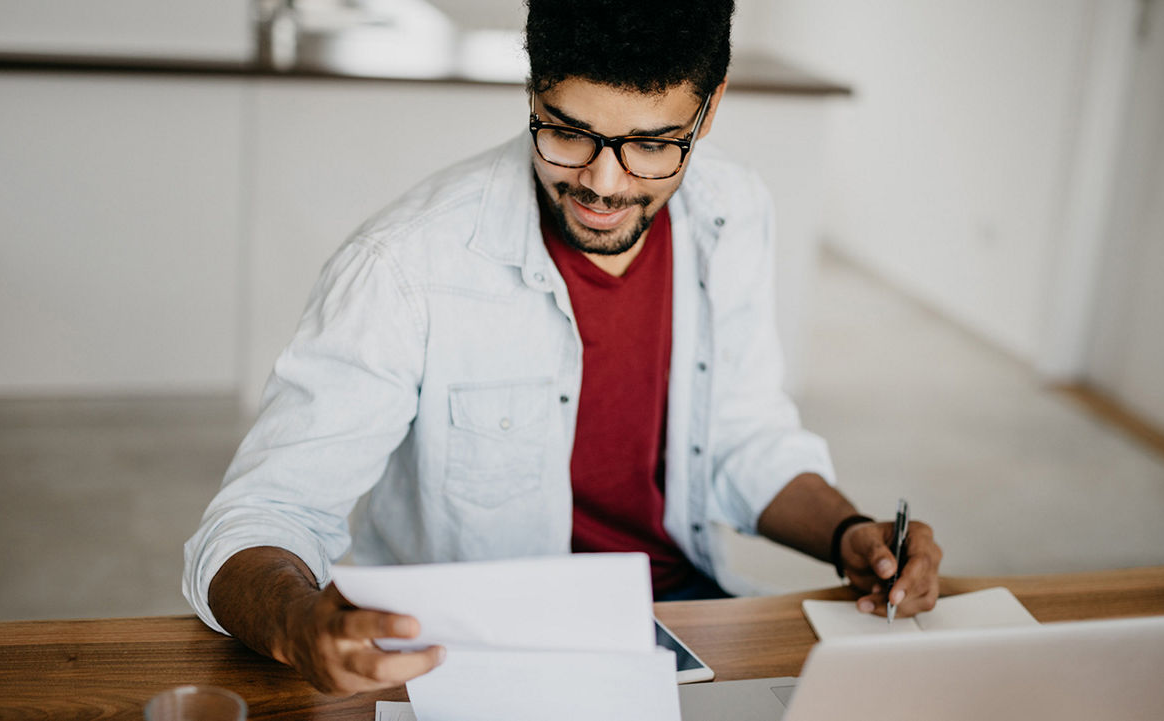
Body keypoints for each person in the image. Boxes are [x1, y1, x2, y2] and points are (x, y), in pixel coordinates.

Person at [184, 0, 943, 696]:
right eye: (568, 131)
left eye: (651, 144)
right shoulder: (406, 266)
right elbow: (259, 517)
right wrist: (297, 623)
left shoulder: (733, 211)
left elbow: (745, 437)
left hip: (681, 621)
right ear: (531, 89)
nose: (604, 184)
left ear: (708, 112)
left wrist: (851, 535)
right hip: (475, 648)